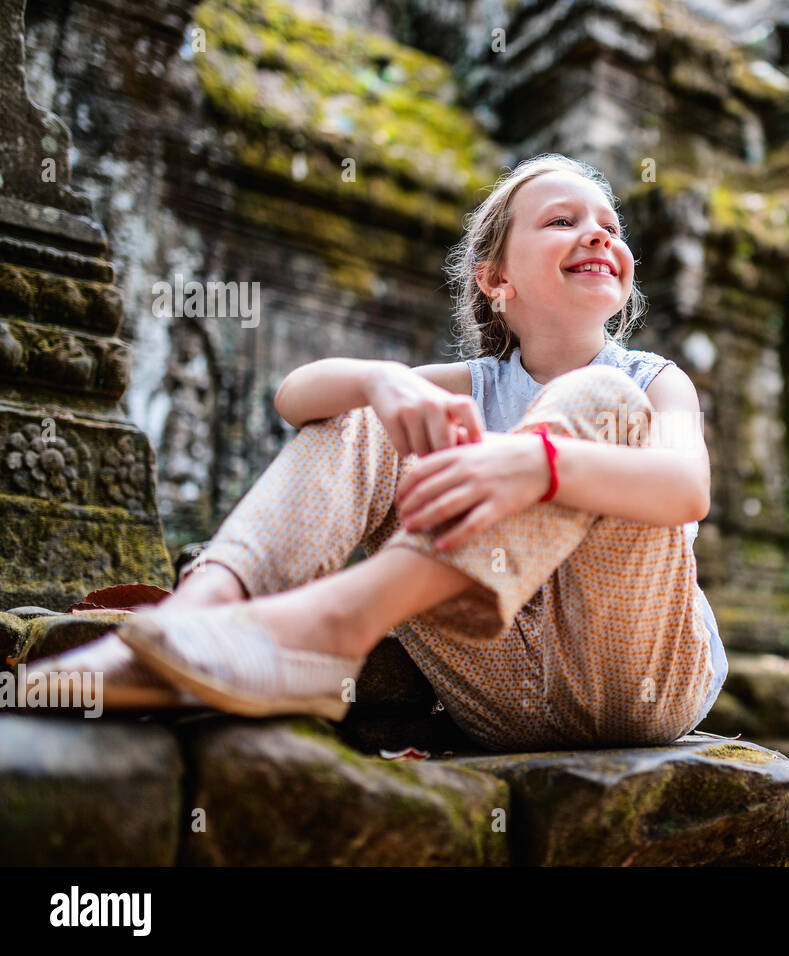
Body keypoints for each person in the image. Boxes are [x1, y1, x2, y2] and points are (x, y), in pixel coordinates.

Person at [20, 153, 728, 752]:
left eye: (609, 226)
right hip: (500, 689)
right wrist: (379, 381)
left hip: (639, 674)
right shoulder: (469, 389)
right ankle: (186, 627)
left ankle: (331, 628)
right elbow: (296, 397)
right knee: (370, 409)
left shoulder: (651, 379)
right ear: (494, 280)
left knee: (598, 397)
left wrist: (537, 465)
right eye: (562, 222)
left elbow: (684, 488)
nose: (597, 236)